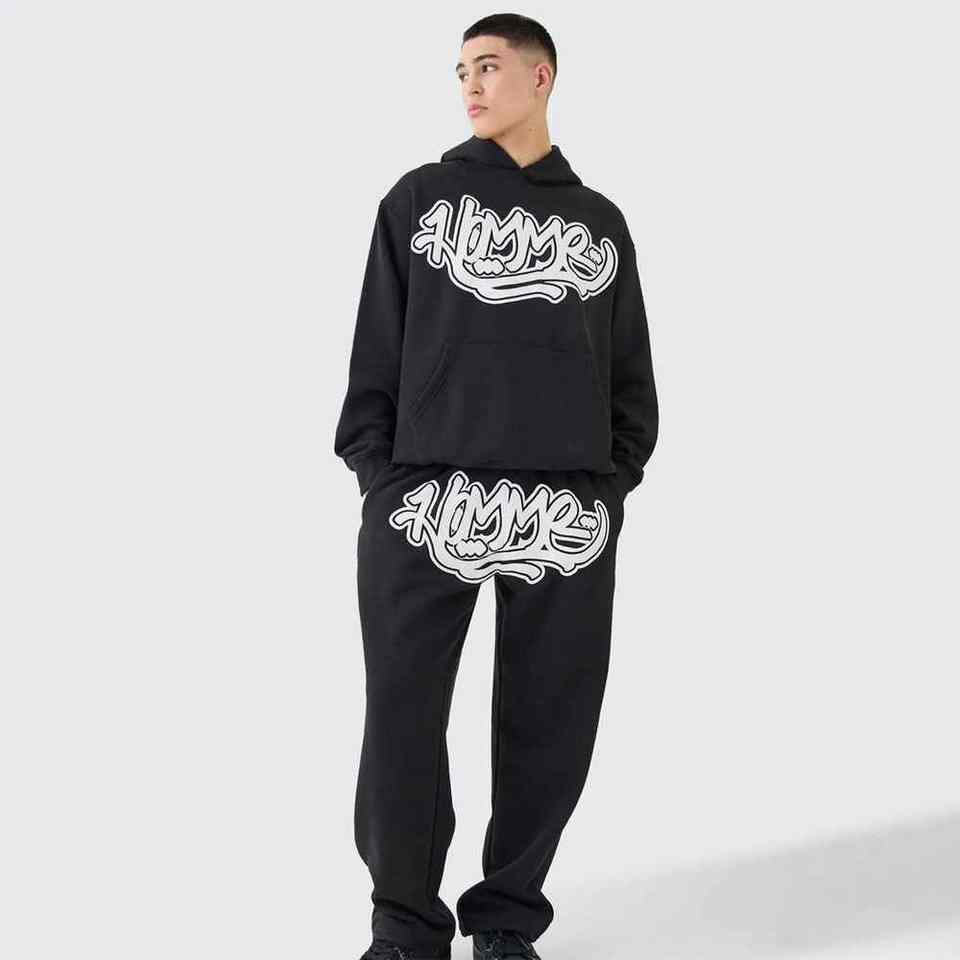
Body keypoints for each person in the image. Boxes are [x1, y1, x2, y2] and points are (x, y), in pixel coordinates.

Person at [334, 13, 659, 960]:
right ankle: (404, 925)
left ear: (541, 76)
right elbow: (376, 353)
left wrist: (607, 486)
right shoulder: (419, 200)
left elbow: (630, 378)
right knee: (403, 717)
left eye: (488, 67)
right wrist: (381, 477)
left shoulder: (598, 223)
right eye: (461, 72)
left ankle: (508, 920)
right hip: (426, 500)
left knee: (550, 720)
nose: (470, 87)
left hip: (562, 509)